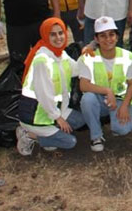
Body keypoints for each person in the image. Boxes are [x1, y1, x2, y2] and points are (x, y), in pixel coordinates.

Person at [15, 18, 86, 156]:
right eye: (52, 34)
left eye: (61, 33)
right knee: (70, 142)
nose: (58, 37)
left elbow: (76, 70)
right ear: (45, 35)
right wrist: (57, 118)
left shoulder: (61, 54)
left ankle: (50, 136)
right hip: (36, 113)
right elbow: (44, 95)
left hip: (55, 108)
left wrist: (86, 55)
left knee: (80, 120)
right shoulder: (42, 60)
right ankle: (29, 135)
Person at [77, 17, 132, 151]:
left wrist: (125, 106)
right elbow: (84, 85)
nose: (108, 39)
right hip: (99, 99)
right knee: (87, 99)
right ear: (96, 39)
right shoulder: (88, 57)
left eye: (111, 34)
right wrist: (107, 91)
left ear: (117, 37)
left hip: (120, 100)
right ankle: (96, 136)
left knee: (123, 130)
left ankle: (116, 121)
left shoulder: (128, 57)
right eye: (103, 36)